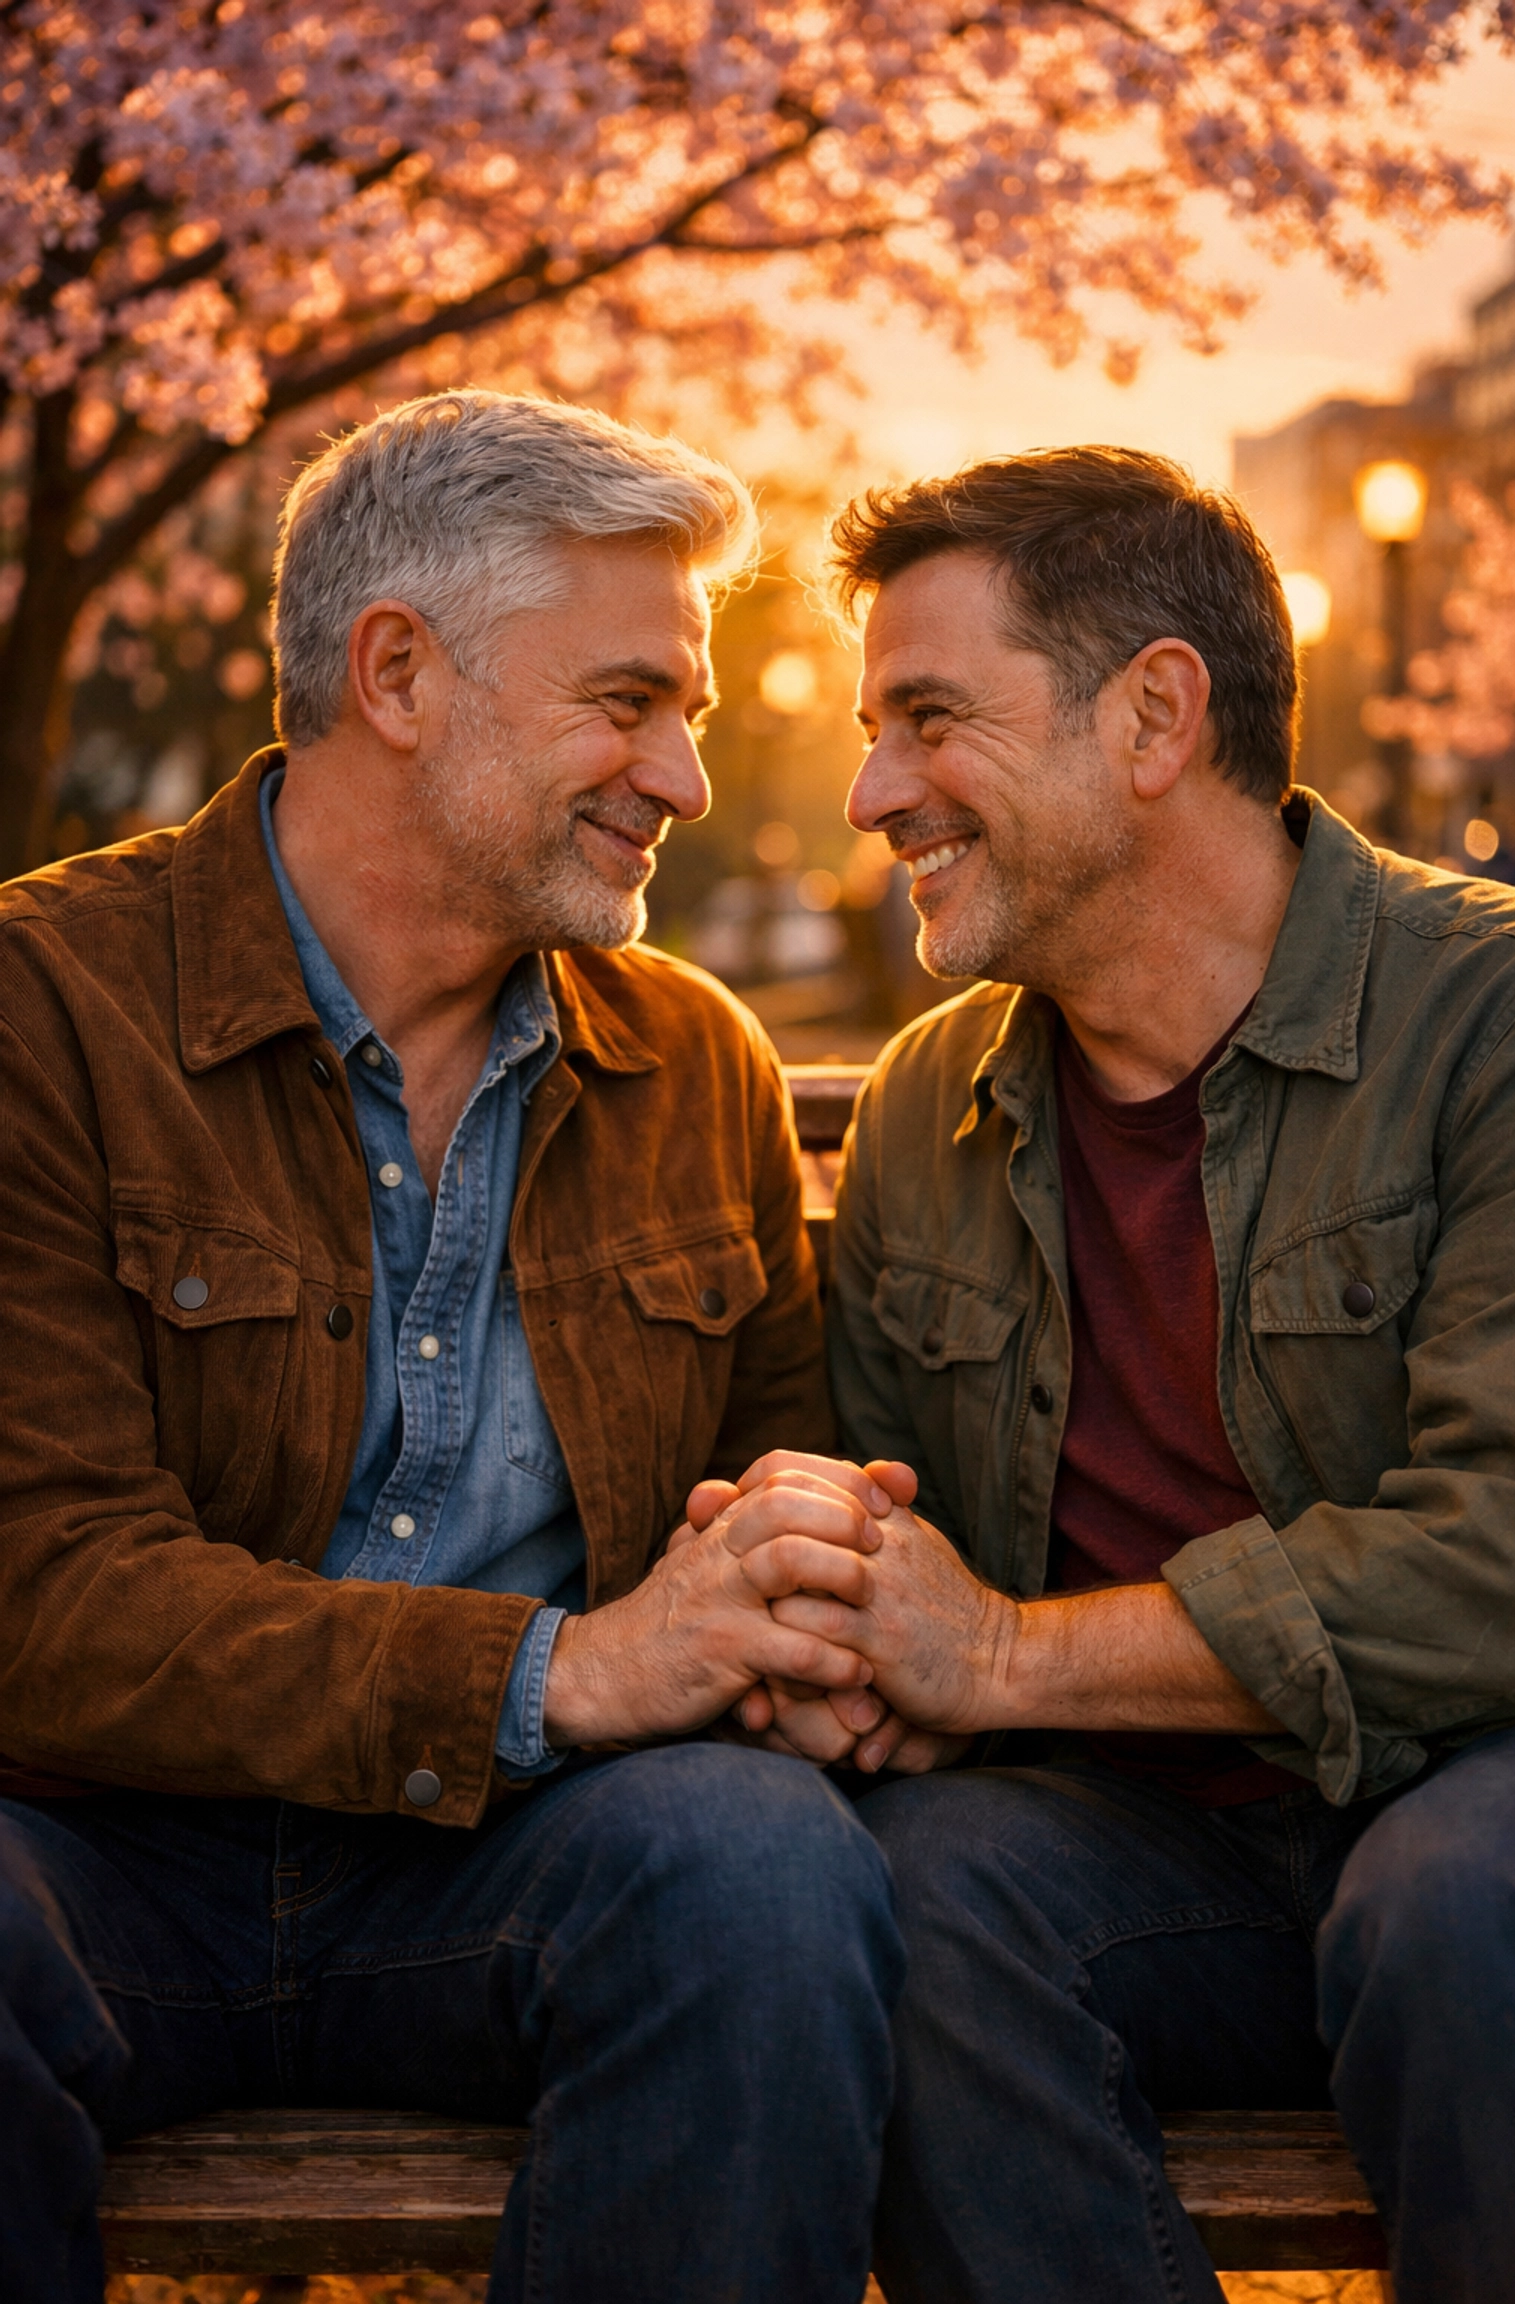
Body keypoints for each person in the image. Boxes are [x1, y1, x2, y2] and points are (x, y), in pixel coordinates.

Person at [0, 391, 909, 2304]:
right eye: (624, 702)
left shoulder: (695, 1061)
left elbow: (771, 1479)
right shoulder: (46, 1012)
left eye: (692, 717)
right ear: (397, 673)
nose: (677, 773)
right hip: (91, 1863)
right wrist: (562, 1671)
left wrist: (806, 1608)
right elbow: (42, 1596)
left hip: (516, 1874)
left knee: (759, 1873)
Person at [740, 447, 1515, 2304]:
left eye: (932, 718)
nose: (872, 793)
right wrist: (830, 1627)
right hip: (1137, 1856)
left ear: (1157, 714)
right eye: (873, 729)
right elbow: (896, 1551)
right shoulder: (937, 1100)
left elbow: (1514, 1545)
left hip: (1478, 1796)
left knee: (1464, 1905)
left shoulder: (1497, 1019)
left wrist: (1007, 1652)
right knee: (905, 1887)